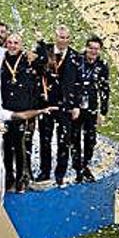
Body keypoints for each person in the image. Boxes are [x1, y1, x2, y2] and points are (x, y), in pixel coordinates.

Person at [35, 25, 82, 187]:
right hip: (46, 103)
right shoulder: (45, 50)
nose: (62, 40)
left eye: (65, 37)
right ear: (55, 37)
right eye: (60, 37)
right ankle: (44, 171)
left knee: (64, 140)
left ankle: (60, 173)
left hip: (66, 106)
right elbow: (36, 70)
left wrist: (76, 105)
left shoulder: (76, 56)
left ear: (69, 39)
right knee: (45, 139)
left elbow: (78, 83)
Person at [0, 33, 38, 193]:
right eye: (10, 42)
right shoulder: (1, 59)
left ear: (21, 45)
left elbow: (44, 63)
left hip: (22, 109)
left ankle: (22, 178)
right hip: (5, 108)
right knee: (7, 145)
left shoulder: (28, 60)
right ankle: (9, 177)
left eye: (16, 43)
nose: (12, 45)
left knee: (20, 145)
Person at [72, 37, 110, 183]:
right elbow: (70, 83)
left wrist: (103, 112)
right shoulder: (77, 61)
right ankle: (78, 170)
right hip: (76, 106)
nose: (93, 51)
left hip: (92, 106)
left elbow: (105, 89)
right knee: (74, 138)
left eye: (96, 49)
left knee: (90, 139)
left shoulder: (102, 65)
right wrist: (73, 105)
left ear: (100, 50)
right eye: (91, 48)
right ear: (86, 48)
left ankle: (86, 165)